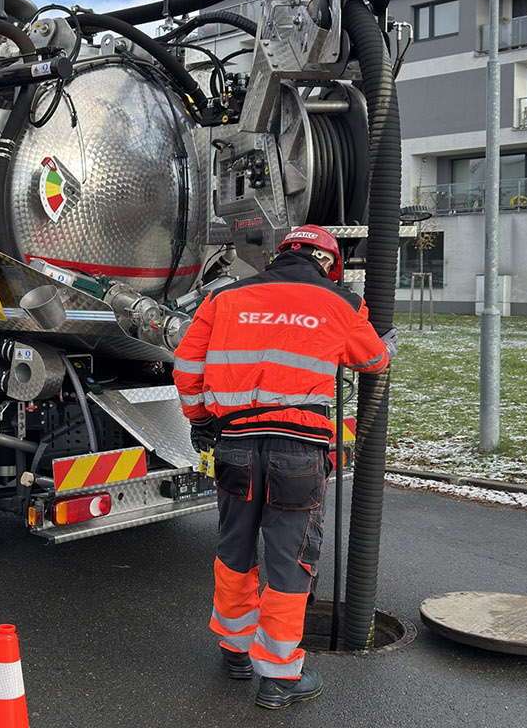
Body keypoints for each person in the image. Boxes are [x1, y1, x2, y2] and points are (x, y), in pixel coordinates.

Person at [172, 224, 395, 710]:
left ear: (279, 256)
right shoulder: (340, 302)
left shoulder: (224, 299)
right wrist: (382, 342)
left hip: (234, 445)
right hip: (297, 451)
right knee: (290, 561)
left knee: (234, 549)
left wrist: (200, 419)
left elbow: (187, 367)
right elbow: (373, 360)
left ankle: (235, 652)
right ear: (328, 264)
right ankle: (278, 678)